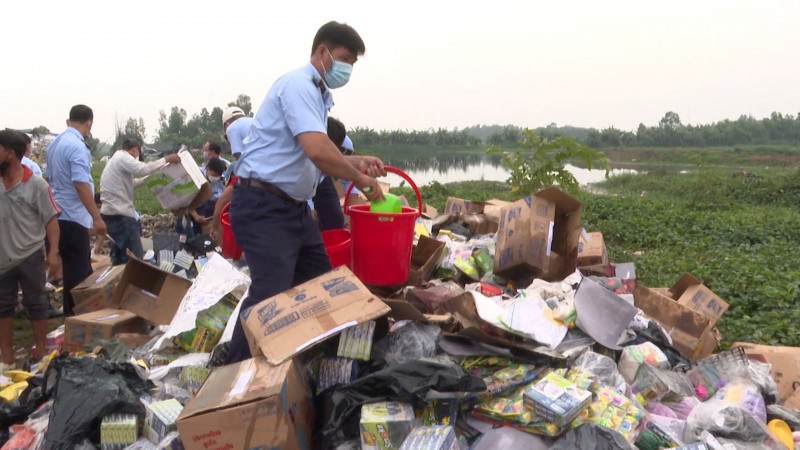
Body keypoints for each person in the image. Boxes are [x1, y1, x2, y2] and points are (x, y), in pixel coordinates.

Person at [225, 21, 386, 365]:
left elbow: (311, 151)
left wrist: (357, 160)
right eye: (343, 59)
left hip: (293, 211)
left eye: (351, 65)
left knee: (320, 285)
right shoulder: (299, 85)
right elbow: (316, 150)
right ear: (321, 52)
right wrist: (361, 178)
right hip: (264, 206)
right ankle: (229, 371)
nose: (345, 70)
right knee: (270, 295)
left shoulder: (316, 94)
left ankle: (310, 362)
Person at [0, 129, 61, 370]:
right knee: (3, 306)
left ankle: (40, 353)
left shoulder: (36, 185)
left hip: (29, 255)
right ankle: (6, 356)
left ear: (10, 154)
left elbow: (51, 220)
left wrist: (53, 252)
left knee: (36, 303)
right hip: (3, 258)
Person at [45, 105, 105, 317]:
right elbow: (81, 185)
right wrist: (96, 219)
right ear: (89, 123)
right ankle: (79, 321)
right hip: (73, 218)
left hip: (56, 218)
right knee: (79, 276)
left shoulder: (54, 145)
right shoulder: (78, 147)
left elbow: (48, 181)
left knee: (72, 271)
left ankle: (73, 319)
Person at [99, 138, 181, 264]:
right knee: (134, 258)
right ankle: (132, 282)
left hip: (109, 214)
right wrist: (166, 159)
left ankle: (118, 280)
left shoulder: (115, 160)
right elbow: (143, 169)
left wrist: (149, 178)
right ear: (136, 150)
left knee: (119, 255)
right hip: (120, 215)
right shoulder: (123, 157)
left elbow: (132, 183)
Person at [311, 117, 348, 230]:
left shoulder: (346, 146)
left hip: (322, 179)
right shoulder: (308, 144)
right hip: (304, 182)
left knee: (335, 218)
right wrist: (309, 206)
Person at [189, 157, 226, 235]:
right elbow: (186, 200)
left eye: (217, 176)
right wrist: (196, 216)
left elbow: (223, 193)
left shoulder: (220, 179)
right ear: (207, 169)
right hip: (193, 206)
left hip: (208, 204)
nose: (215, 178)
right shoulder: (196, 176)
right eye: (214, 175)